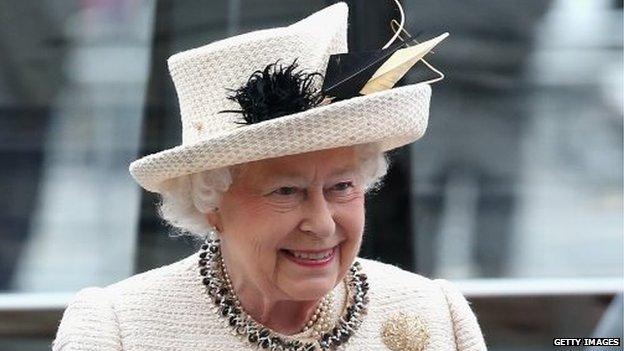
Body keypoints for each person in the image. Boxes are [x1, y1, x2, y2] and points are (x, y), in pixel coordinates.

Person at [53, 3, 486, 350]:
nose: (321, 224)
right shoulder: (117, 331)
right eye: (286, 191)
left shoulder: (435, 314)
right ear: (210, 205)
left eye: (341, 187)